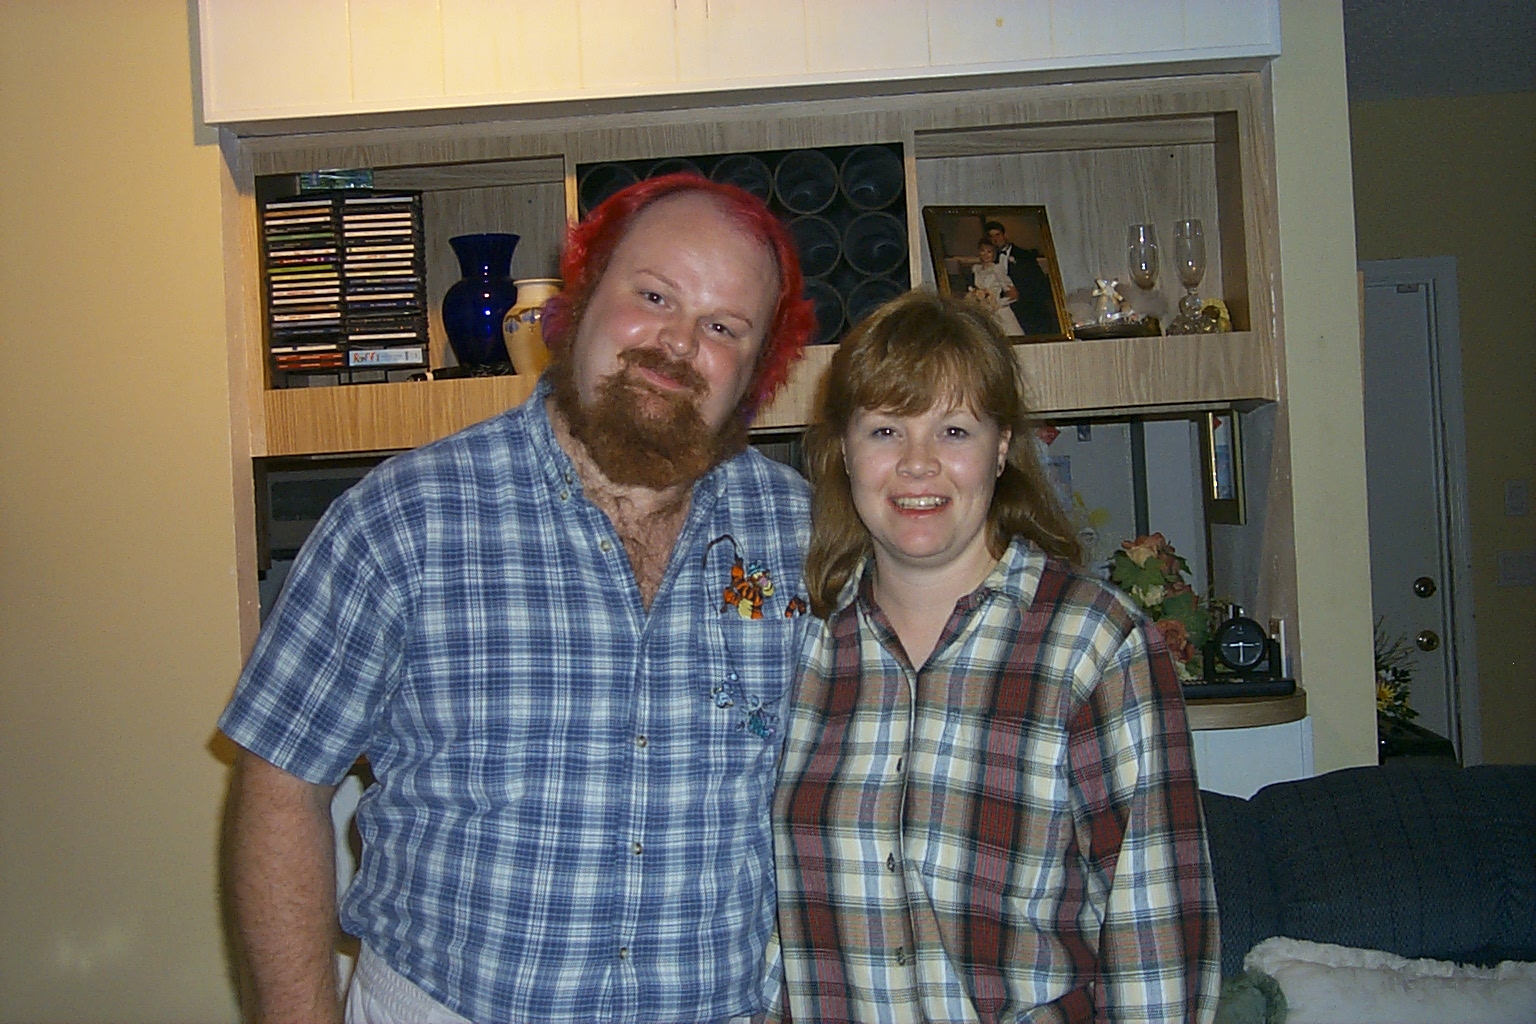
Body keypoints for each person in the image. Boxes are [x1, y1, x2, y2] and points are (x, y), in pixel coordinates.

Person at [218, 173, 819, 1024]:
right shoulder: (402, 519)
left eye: (724, 327)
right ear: (580, 298)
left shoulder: (807, 537)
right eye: (653, 295)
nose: (678, 343)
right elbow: (282, 784)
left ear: (758, 371)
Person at [771, 291, 1220, 1022]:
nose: (918, 465)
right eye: (885, 430)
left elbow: (1157, 938)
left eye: (953, 430)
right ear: (844, 451)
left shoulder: (1097, 646)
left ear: (1002, 446)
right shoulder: (794, 647)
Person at [985, 219, 1062, 337]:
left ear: (1004, 235)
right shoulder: (991, 259)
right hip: (1004, 309)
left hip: (1027, 307)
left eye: (997, 235)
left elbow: (1038, 281)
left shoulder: (1024, 255)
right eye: (991, 236)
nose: (995, 239)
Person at [966, 240, 1024, 336]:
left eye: (989, 252)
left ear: (994, 254)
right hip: (984, 311)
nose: (985, 254)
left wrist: (997, 304)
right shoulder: (976, 269)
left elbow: (1014, 294)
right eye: (983, 251)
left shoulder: (997, 269)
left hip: (998, 311)